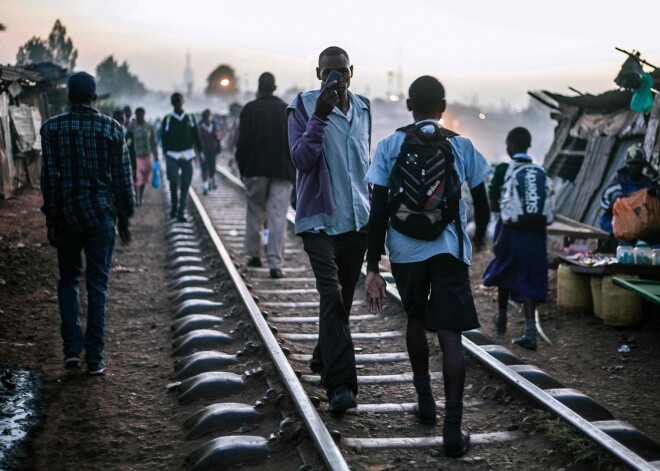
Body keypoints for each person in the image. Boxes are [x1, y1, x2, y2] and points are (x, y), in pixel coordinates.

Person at [364, 76, 491, 458]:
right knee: (451, 336)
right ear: (443, 106)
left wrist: (373, 265)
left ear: (408, 106)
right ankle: (452, 431)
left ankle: (425, 402)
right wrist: (479, 239)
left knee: (416, 319)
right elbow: (483, 204)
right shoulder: (462, 145)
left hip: (404, 251)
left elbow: (378, 210)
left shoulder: (389, 146)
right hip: (449, 249)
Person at [287, 47, 371, 413]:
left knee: (343, 301)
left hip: (357, 221)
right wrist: (319, 116)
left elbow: (363, 162)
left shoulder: (365, 107)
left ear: (352, 71)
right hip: (319, 221)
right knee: (332, 295)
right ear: (317, 74)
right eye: (328, 73)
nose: (336, 79)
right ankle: (342, 386)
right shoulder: (302, 107)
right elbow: (301, 159)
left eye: (341, 72)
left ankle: (323, 359)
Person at [40, 72, 135, 376]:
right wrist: (125, 218)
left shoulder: (51, 128)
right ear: (94, 98)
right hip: (101, 216)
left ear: (69, 96)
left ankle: (70, 351)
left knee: (68, 280)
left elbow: (48, 180)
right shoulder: (112, 128)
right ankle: (94, 357)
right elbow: (123, 179)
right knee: (97, 284)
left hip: (67, 215)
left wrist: (51, 218)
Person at [482, 127, 548, 351]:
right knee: (529, 276)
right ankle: (530, 332)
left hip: (510, 230)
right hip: (536, 234)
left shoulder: (502, 170)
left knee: (504, 270)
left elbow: (492, 205)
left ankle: (501, 318)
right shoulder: (538, 170)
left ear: (510, 144)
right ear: (528, 145)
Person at [236, 72, 295, 278]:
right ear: (275, 87)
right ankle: (275, 264)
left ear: (259, 87)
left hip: (255, 170)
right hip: (282, 171)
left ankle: (254, 255)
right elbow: (294, 144)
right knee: (278, 217)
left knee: (255, 212)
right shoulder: (287, 110)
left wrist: (243, 170)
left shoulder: (249, 110)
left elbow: (241, 144)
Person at [599, 144, 655, 250]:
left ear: (643, 166)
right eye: (631, 164)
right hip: (617, 226)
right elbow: (604, 203)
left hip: (641, 227)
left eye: (637, 164)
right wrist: (618, 202)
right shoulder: (619, 180)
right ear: (627, 165)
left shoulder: (647, 183)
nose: (634, 167)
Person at [161, 92, 203, 222]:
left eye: (179, 101)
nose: (177, 103)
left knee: (186, 183)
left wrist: (200, 151)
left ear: (183, 102)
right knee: (174, 181)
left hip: (188, 154)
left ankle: (181, 210)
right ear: (172, 103)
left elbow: (196, 135)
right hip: (172, 154)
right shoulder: (167, 119)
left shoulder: (190, 118)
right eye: (175, 101)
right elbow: (163, 137)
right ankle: (174, 205)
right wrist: (165, 153)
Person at [128, 107, 159, 206]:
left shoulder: (149, 126)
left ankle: (140, 198)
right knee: (137, 178)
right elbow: (128, 141)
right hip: (136, 156)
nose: (140, 117)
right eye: (138, 115)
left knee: (144, 178)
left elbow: (153, 142)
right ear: (135, 115)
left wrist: (156, 155)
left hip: (147, 155)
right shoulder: (131, 126)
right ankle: (136, 199)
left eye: (142, 115)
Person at [199, 109, 223, 195]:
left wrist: (217, 137)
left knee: (212, 168)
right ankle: (205, 186)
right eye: (206, 117)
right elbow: (198, 141)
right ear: (204, 119)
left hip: (213, 151)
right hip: (204, 151)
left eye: (209, 117)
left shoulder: (215, 128)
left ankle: (210, 181)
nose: (208, 119)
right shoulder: (201, 129)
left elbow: (220, 136)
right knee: (204, 168)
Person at [113, 109, 137, 184]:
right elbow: (132, 150)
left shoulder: (129, 134)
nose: (120, 122)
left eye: (121, 119)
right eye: (118, 119)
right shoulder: (128, 134)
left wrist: (134, 168)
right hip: (118, 165)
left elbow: (132, 150)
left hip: (124, 165)